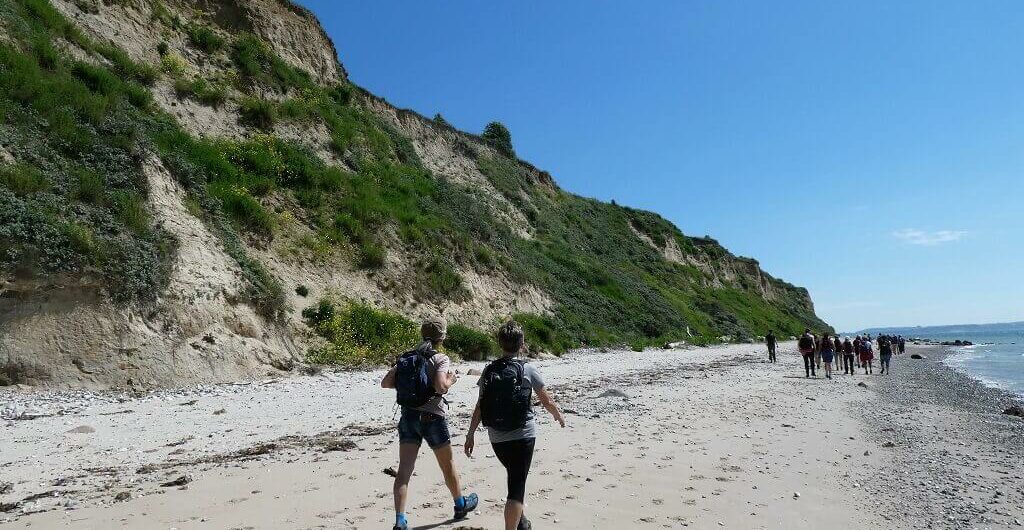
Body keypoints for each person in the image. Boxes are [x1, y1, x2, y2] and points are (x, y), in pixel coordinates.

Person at [465, 321, 566, 530]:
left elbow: (480, 405)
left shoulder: (488, 370)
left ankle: (521, 521)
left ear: (500, 344)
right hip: (523, 435)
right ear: (522, 345)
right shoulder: (527, 369)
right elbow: (546, 400)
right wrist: (557, 415)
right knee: (516, 487)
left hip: (497, 437)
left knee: (514, 474)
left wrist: (470, 434)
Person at [381, 317, 479, 530]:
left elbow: (386, 383)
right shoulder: (440, 358)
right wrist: (452, 380)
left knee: (404, 470)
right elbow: (441, 386)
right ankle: (460, 505)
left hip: (408, 417)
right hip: (433, 417)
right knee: (447, 465)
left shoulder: (407, 358)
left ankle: (400, 520)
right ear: (441, 338)